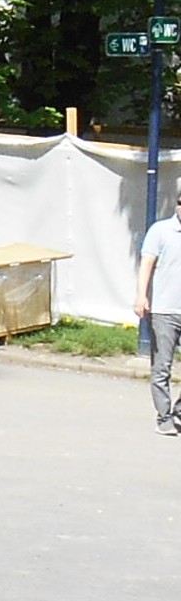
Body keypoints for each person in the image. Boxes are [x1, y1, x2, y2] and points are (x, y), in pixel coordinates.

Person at [134, 187, 181, 436]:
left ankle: (179, 412)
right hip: (165, 311)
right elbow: (146, 264)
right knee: (162, 367)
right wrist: (141, 295)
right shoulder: (160, 231)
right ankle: (164, 417)